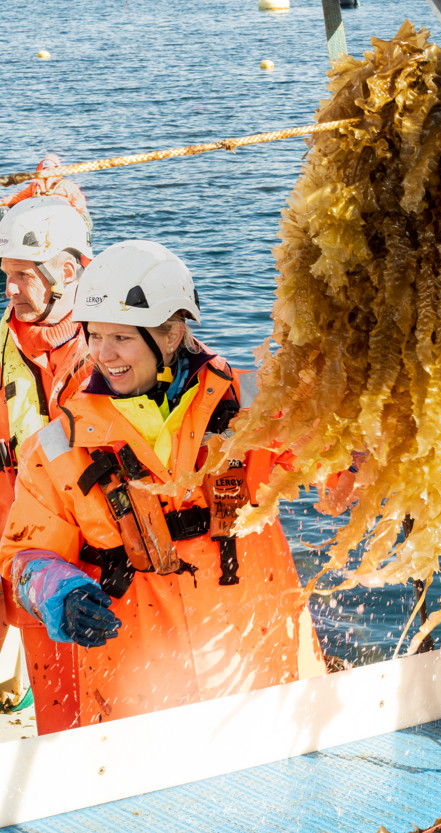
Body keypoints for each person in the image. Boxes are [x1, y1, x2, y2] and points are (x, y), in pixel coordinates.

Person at [0, 239, 327, 733]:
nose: (103, 355)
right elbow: (23, 556)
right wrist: (57, 591)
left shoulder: (252, 408)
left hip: (266, 673)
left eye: (122, 338)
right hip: (137, 697)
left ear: (171, 335)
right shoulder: (57, 447)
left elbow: (340, 453)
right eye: (94, 335)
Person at [0, 196, 94, 719]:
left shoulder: (115, 346)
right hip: (27, 559)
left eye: (22, 274)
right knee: (61, 713)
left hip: (96, 558)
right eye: (5, 273)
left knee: (88, 715)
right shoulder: (3, 348)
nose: (10, 288)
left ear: (66, 269)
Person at [0, 154, 87, 214]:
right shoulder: (35, 186)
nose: (48, 171)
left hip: (60, 216)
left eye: (50, 168)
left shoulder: (67, 185)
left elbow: (79, 200)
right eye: (45, 168)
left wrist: (71, 211)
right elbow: (18, 197)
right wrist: (2, 202)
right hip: (39, 216)